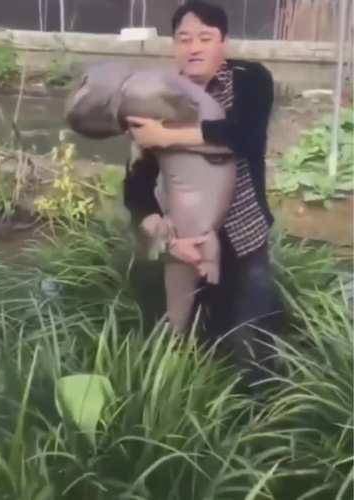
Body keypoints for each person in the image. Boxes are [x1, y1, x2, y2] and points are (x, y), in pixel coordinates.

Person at [123, 1, 284, 386]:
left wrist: (165, 137)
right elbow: (136, 185)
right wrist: (161, 233)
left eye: (205, 38)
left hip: (243, 237)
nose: (193, 47)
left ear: (223, 43)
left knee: (252, 341)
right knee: (183, 338)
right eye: (184, 39)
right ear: (174, 45)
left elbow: (243, 137)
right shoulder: (159, 95)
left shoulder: (250, 79)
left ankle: (257, 419)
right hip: (182, 242)